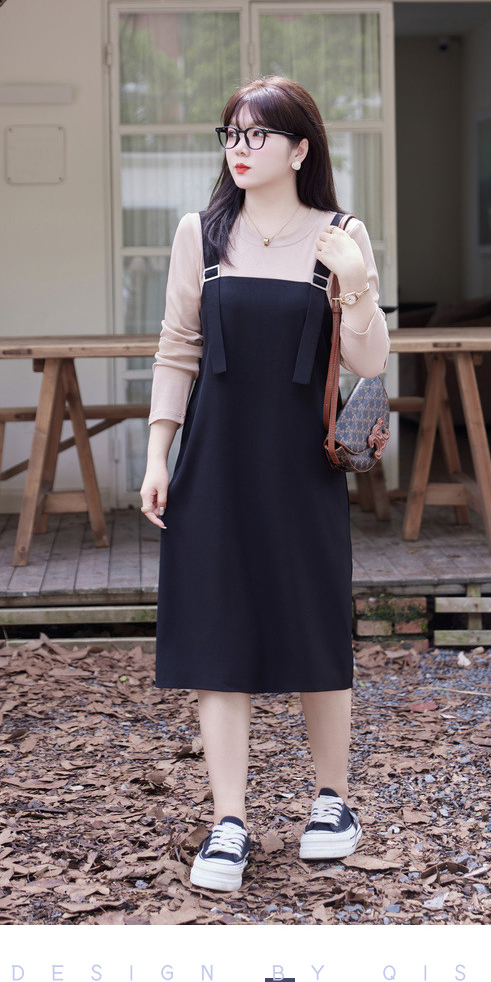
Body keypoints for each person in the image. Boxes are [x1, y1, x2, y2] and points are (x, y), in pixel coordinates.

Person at [140, 75, 390, 893]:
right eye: (232, 135)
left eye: (257, 135)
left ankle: (332, 803)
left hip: (300, 466)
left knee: (315, 624)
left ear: (300, 148)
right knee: (217, 631)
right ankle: (229, 820)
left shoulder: (340, 234)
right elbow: (177, 347)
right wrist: (157, 454)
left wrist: (355, 279)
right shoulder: (202, 233)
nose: (240, 150)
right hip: (213, 460)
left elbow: (368, 360)